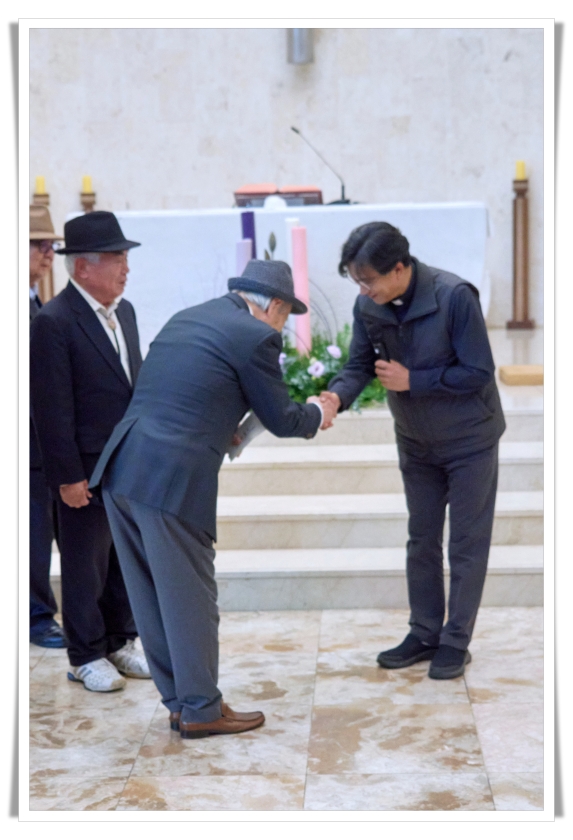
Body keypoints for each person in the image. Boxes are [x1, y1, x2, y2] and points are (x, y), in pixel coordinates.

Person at [89, 259, 337, 738]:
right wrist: (316, 411)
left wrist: (226, 429)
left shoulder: (188, 317)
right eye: (286, 316)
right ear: (275, 306)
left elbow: (187, 394)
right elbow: (283, 419)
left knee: (151, 597)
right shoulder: (256, 335)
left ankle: (181, 703)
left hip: (123, 468)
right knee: (190, 599)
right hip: (171, 480)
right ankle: (202, 709)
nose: (283, 326)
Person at [321, 222, 505, 680]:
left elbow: (478, 371)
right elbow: (359, 365)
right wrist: (335, 398)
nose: (363, 291)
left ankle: (455, 641)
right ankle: (424, 632)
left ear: (399, 269)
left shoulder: (454, 297)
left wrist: (414, 381)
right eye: (357, 281)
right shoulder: (369, 305)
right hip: (416, 441)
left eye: (369, 280)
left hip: (469, 441)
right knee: (421, 539)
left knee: (465, 544)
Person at [30, 211, 151, 692]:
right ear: (83, 267)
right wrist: (67, 476)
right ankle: (85, 655)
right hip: (82, 467)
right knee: (85, 563)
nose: (126, 269)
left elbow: (132, 383)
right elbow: (50, 407)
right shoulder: (54, 321)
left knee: (122, 557)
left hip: (126, 461)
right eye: (117, 259)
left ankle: (119, 640)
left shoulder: (125, 312)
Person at [29, 205, 67, 648]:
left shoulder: (34, 299)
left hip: (40, 440)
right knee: (32, 532)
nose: (48, 254)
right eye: (38, 245)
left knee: (40, 529)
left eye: (51, 245)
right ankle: (35, 616)